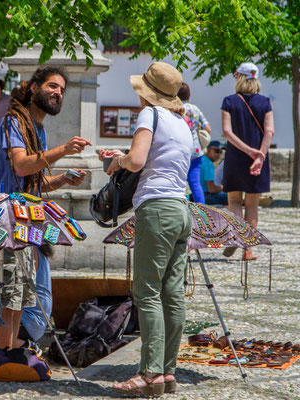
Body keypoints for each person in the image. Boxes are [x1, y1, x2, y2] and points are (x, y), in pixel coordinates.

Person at [0, 66, 89, 352]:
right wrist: (63, 150)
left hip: (27, 224)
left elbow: (33, 182)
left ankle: (4, 348)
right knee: (10, 296)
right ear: (34, 88)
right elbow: (22, 164)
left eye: (61, 89)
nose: (58, 93)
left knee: (27, 301)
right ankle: (4, 349)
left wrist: (62, 178)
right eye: (52, 86)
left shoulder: (37, 128)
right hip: (9, 227)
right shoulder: (14, 121)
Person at [100, 62, 193, 397]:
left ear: (147, 94)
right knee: (172, 294)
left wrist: (118, 160)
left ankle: (148, 374)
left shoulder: (149, 116)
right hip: (181, 211)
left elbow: (137, 162)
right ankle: (168, 373)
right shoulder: (183, 123)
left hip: (156, 210)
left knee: (148, 293)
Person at [221, 62, 274, 260]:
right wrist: (259, 154)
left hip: (236, 157)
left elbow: (227, 132)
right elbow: (269, 131)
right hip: (259, 158)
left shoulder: (229, 101)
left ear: (239, 77)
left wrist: (248, 151)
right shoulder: (265, 102)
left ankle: (235, 237)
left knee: (234, 200)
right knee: (252, 203)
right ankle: (248, 249)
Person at [178, 82, 211, 204]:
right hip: (195, 150)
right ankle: (201, 208)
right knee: (195, 183)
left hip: (179, 149)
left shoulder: (175, 109)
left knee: (178, 182)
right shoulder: (195, 109)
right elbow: (208, 128)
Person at [200, 141, 228, 205]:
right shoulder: (208, 164)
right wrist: (225, 187)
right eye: (217, 151)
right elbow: (212, 189)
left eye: (221, 152)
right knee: (234, 197)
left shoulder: (201, 160)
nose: (219, 154)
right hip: (205, 196)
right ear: (209, 150)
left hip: (196, 195)